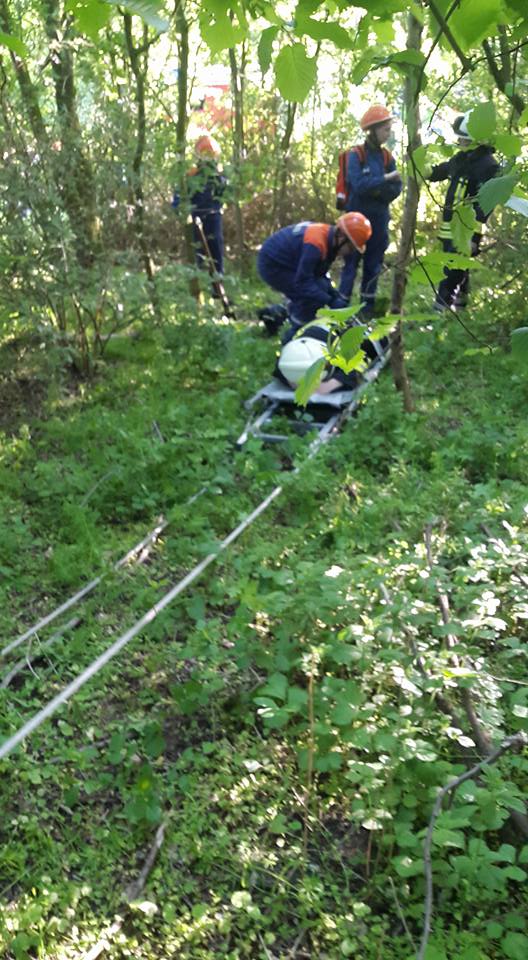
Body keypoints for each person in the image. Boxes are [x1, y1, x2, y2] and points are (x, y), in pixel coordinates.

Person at [257, 213, 372, 338]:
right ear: (341, 236)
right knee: (310, 297)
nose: (350, 252)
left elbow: (319, 274)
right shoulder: (316, 244)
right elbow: (303, 283)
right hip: (273, 265)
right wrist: (330, 301)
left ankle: (273, 314)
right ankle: (295, 337)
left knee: (319, 287)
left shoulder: (329, 240)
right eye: (351, 247)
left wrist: (334, 295)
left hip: (289, 262)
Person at [428, 111, 499, 311]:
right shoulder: (462, 159)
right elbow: (441, 171)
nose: (459, 141)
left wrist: (473, 235)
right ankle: (461, 308)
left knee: (452, 271)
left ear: (474, 140)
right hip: (450, 227)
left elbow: (486, 202)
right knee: (459, 266)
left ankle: (439, 313)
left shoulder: (488, 166)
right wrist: (425, 170)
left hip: (467, 230)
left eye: (463, 139)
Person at [338, 105, 402, 318]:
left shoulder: (387, 158)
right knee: (351, 265)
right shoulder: (356, 155)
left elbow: (397, 188)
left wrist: (376, 189)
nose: (388, 133)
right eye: (385, 129)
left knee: (373, 266)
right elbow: (358, 185)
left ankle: (366, 310)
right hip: (355, 220)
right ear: (372, 130)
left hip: (379, 221)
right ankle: (342, 309)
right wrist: (382, 181)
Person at [275, 320, 386, 395]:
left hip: (348, 330)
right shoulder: (288, 358)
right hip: (324, 324)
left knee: (383, 342)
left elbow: (356, 374)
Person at [172, 134, 226, 275]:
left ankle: (217, 289)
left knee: (216, 254)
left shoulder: (219, 176)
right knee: (196, 255)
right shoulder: (191, 175)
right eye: (205, 153)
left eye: (210, 153)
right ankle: (195, 287)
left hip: (214, 218)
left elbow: (224, 196)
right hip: (195, 218)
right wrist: (181, 211)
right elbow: (178, 197)